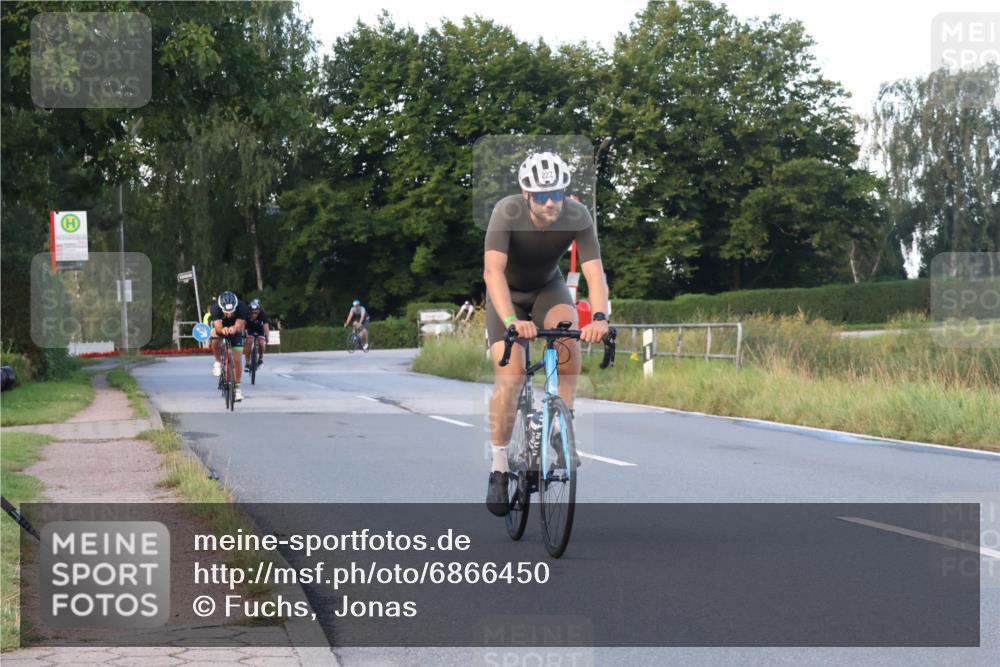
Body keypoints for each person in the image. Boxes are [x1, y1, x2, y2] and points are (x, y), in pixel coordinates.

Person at [483, 151, 610, 516]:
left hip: (547, 289)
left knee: (568, 342)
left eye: (557, 192)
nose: (551, 202)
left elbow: (595, 273)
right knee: (511, 375)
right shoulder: (506, 212)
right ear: (526, 195)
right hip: (507, 296)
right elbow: (493, 273)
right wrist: (510, 320)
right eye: (541, 196)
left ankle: (560, 424)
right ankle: (499, 464)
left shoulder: (577, 214)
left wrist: (599, 317)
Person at [209, 291, 249, 402]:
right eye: (226, 312)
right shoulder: (215, 308)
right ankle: (217, 362)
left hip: (235, 328)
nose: (229, 314)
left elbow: (239, 325)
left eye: (231, 312)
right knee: (214, 338)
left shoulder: (241, 307)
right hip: (221, 326)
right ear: (221, 308)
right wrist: (222, 330)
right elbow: (217, 327)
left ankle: (237, 389)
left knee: (237, 359)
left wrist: (234, 329)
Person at [243, 299, 271, 369]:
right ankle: (247, 362)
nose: (254, 315)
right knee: (248, 341)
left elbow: (266, 326)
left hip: (260, 329)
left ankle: (260, 359)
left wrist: (267, 336)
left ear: (259, 311)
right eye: (252, 313)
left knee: (261, 343)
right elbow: (242, 324)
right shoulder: (246, 313)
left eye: (256, 313)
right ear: (249, 311)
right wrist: (242, 334)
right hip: (250, 328)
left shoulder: (263, 313)